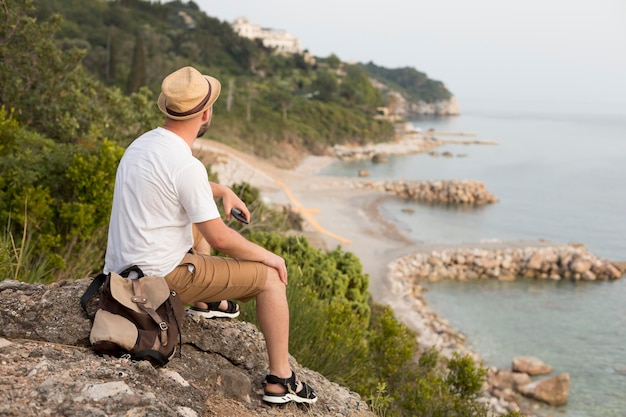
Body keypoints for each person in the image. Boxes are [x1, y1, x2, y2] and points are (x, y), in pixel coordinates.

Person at [103, 66, 317, 404]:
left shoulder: (143, 144)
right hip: (156, 280)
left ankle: (204, 300)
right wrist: (269, 256)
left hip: (120, 270)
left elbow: (173, 187)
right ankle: (281, 379)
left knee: (192, 218)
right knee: (272, 278)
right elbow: (220, 239)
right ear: (206, 113)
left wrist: (222, 190)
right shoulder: (187, 165)